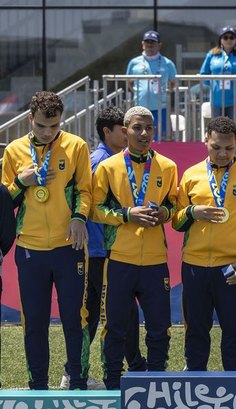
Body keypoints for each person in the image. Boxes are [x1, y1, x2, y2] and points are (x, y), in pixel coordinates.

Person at [1, 91, 91, 390]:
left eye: (54, 126)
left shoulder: (76, 146)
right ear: (30, 119)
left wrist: (79, 218)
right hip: (30, 249)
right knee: (34, 322)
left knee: (73, 318)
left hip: (69, 247)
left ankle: (77, 381)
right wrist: (21, 183)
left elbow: (85, 191)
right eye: (41, 126)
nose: (48, 132)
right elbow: (5, 200)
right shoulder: (14, 151)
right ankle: (37, 385)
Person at [91, 106, 178, 389]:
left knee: (159, 329)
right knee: (115, 327)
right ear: (125, 130)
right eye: (137, 128)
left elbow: (175, 206)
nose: (144, 134)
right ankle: (113, 383)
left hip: (155, 261)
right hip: (119, 260)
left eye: (149, 128)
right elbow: (96, 209)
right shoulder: (107, 167)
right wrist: (127, 214)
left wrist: (164, 214)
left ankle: (155, 383)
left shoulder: (168, 166)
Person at [173, 116, 236, 371]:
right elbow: (176, 221)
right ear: (206, 141)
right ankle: (194, 386)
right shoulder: (191, 175)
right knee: (195, 331)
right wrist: (193, 211)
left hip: (232, 268)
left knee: (234, 332)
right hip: (194, 267)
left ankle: (235, 390)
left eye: (230, 148)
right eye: (216, 147)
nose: (223, 153)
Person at [63, 106, 147, 389]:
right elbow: (92, 205)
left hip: (113, 251)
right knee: (99, 313)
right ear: (106, 132)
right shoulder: (101, 161)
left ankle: (133, 366)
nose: (127, 134)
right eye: (121, 129)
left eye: (128, 128)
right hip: (100, 252)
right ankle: (78, 372)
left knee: (120, 312)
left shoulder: (120, 159)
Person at [200, 25, 236, 137]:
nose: (229, 40)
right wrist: (213, 85)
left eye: (232, 37)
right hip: (217, 99)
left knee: (234, 128)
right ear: (220, 39)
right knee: (216, 129)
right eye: (225, 37)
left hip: (235, 99)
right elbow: (204, 74)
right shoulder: (212, 55)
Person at [125, 30, 178, 140]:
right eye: (147, 42)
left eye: (153, 42)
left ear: (159, 45)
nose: (150, 44)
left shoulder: (167, 63)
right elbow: (129, 83)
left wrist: (166, 93)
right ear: (142, 44)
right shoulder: (134, 62)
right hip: (139, 108)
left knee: (162, 139)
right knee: (139, 138)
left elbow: (174, 83)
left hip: (160, 108)